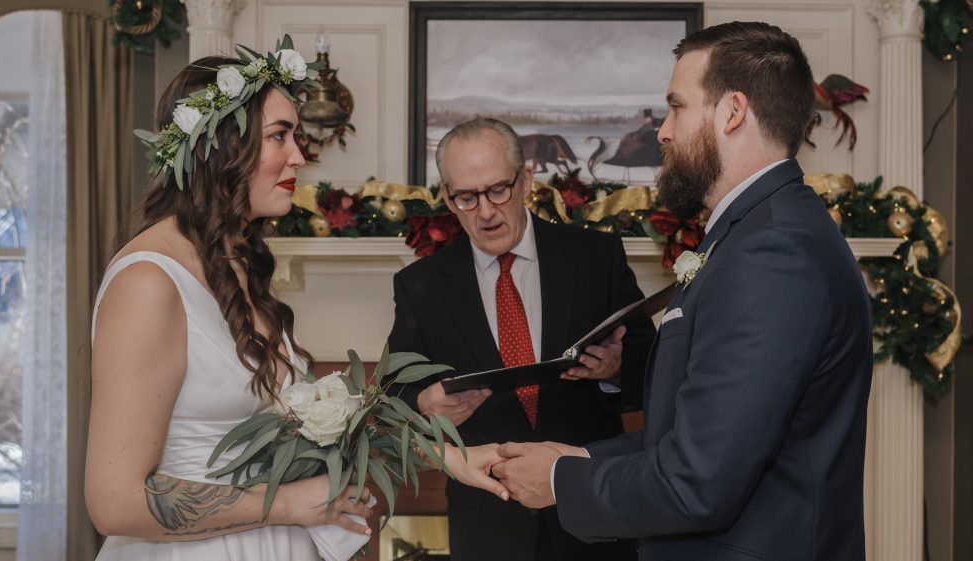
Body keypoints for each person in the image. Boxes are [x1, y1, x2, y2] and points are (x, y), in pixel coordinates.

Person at [85, 44, 504, 561]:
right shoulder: (148, 281)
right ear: (220, 146)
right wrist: (283, 504)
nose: (300, 157)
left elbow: (306, 431)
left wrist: (445, 453)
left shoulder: (239, 266)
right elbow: (114, 502)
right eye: (279, 136)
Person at [491, 21, 873, 561]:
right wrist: (577, 455)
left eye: (677, 107)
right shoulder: (762, 231)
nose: (664, 131)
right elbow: (696, 436)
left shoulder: (773, 253)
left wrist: (559, 481)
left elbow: (698, 483)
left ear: (732, 111)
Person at [387, 117, 656, 561]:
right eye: (467, 198)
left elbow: (653, 362)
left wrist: (615, 369)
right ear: (448, 199)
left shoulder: (595, 258)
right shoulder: (421, 285)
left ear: (526, 179)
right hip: (489, 522)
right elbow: (392, 390)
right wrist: (425, 404)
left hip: (590, 510)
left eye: (498, 190)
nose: (486, 211)